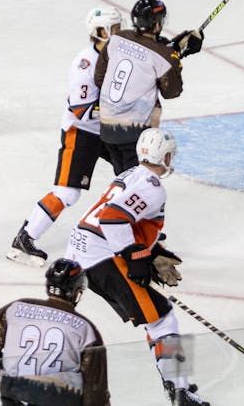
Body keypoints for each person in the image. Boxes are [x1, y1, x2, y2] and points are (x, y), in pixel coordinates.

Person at [65, 129, 209, 405]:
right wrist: (135, 257)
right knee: (163, 318)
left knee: (154, 317)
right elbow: (113, 219)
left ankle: (176, 382)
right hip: (101, 258)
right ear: (163, 155)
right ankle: (180, 391)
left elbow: (124, 221)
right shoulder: (152, 187)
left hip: (86, 253)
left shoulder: (129, 174)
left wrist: (150, 252)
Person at [8, 7, 124, 267]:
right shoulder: (85, 64)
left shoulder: (116, 54)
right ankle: (25, 238)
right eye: (114, 29)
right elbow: (81, 111)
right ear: (101, 32)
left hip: (106, 130)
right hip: (82, 131)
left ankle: (123, 233)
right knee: (67, 193)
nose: (119, 34)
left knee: (130, 174)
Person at [0, 259, 111, 406]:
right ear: (77, 291)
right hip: (60, 398)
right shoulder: (85, 329)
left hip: (15, 392)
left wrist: (11, 369)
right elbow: (95, 390)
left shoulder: (16, 308)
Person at [93, 0, 201, 172]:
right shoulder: (164, 56)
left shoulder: (117, 39)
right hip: (134, 134)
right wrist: (175, 58)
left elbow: (99, 79)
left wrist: (170, 49)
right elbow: (172, 92)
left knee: (123, 178)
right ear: (157, 25)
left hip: (106, 128)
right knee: (135, 182)